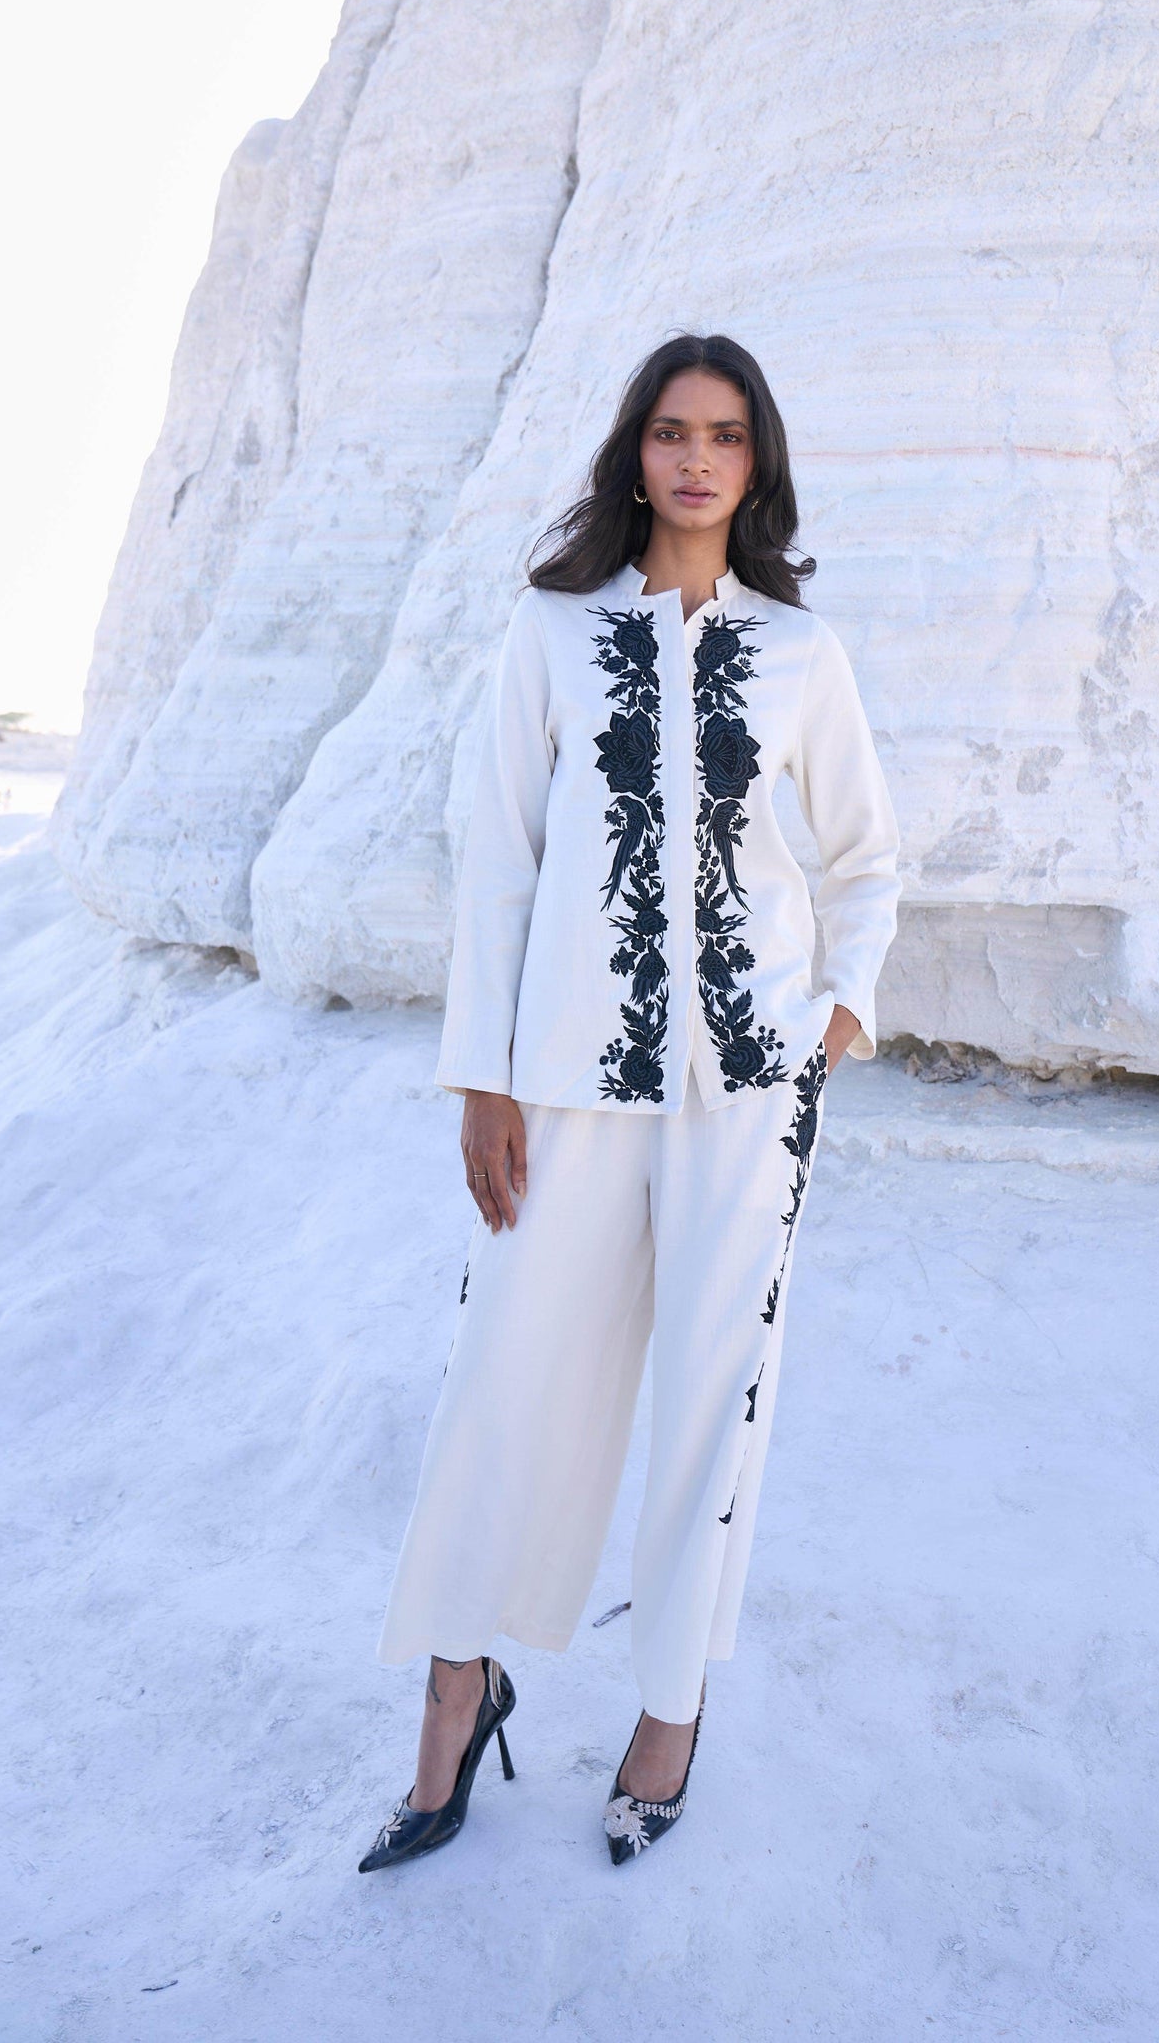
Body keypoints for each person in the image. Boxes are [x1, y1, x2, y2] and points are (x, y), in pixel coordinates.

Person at [359, 333, 900, 1872]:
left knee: (713, 1397)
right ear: (635, 453)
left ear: (755, 460)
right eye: (671, 432)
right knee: (504, 1377)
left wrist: (836, 1013)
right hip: (567, 1079)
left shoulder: (800, 653)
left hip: (750, 1085)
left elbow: (865, 856)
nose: (695, 459)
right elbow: (498, 861)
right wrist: (481, 1076)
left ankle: (670, 1705)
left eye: (723, 434)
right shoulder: (549, 630)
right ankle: (457, 1684)